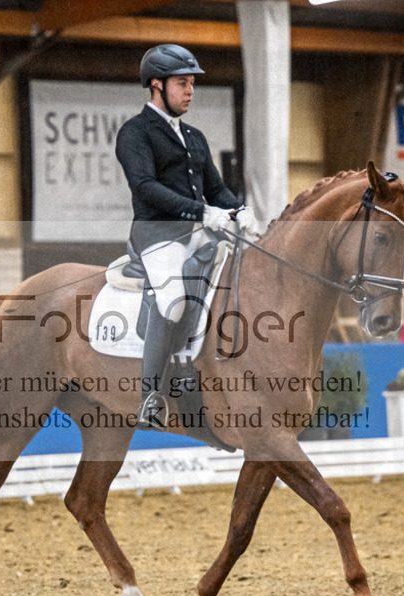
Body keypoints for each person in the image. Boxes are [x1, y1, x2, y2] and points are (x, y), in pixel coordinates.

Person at [115, 44, 264, 430]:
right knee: (173, 301)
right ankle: (150, 395)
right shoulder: (134, 133)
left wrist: (238, 209)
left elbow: (215, 188)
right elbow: (145, 187)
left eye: (192, 83)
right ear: (156, 85)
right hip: (156, 234)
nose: (190, 91)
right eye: (182, 83)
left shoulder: (195, 136)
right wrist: (202, 212)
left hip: (199, 233)